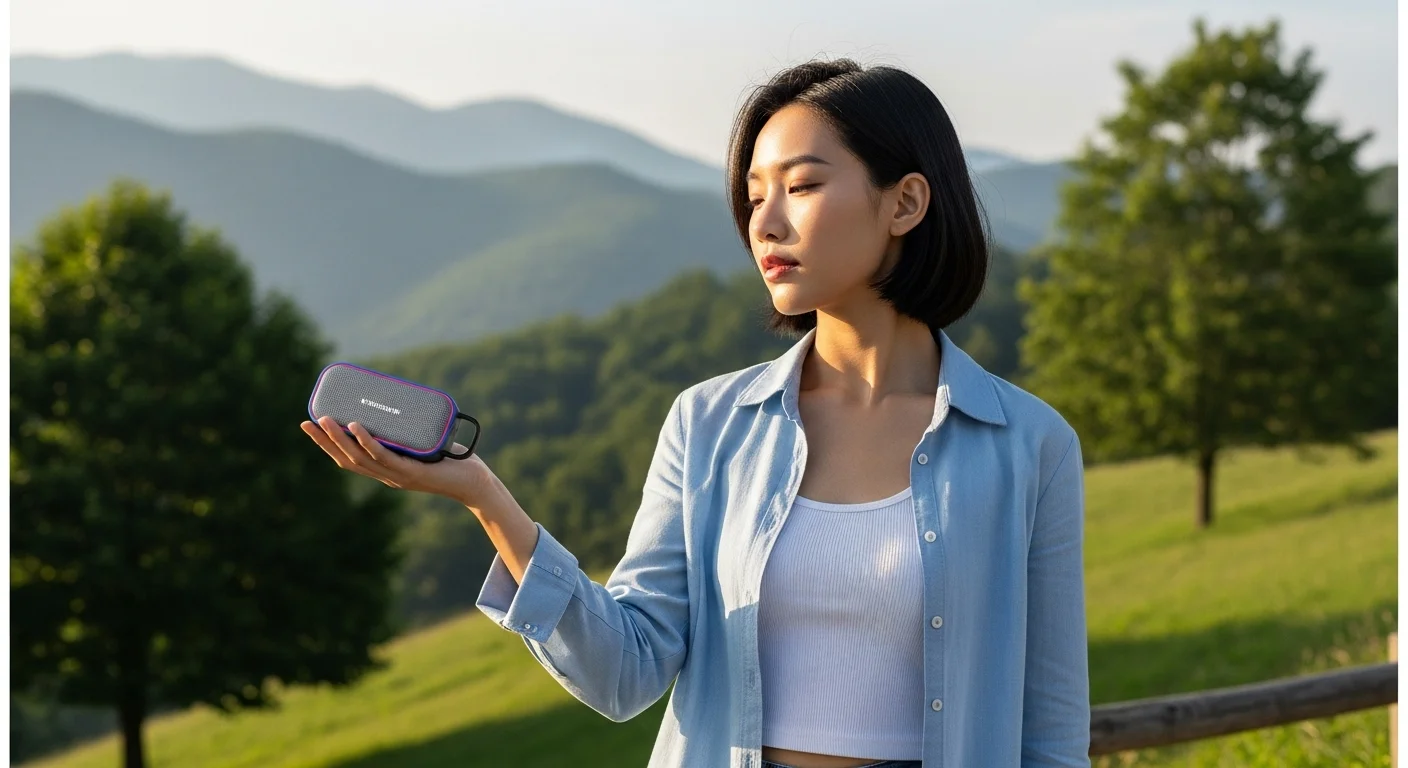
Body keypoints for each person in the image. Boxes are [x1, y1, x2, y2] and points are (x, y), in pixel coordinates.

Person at [302, 57, 1091, 768]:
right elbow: (625, 671)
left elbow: (1051, 737)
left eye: (803, 185)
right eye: (754, 196)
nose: (766, 223)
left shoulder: (1029, 446)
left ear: (906, 203)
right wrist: (485, 498)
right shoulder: (708, 425)